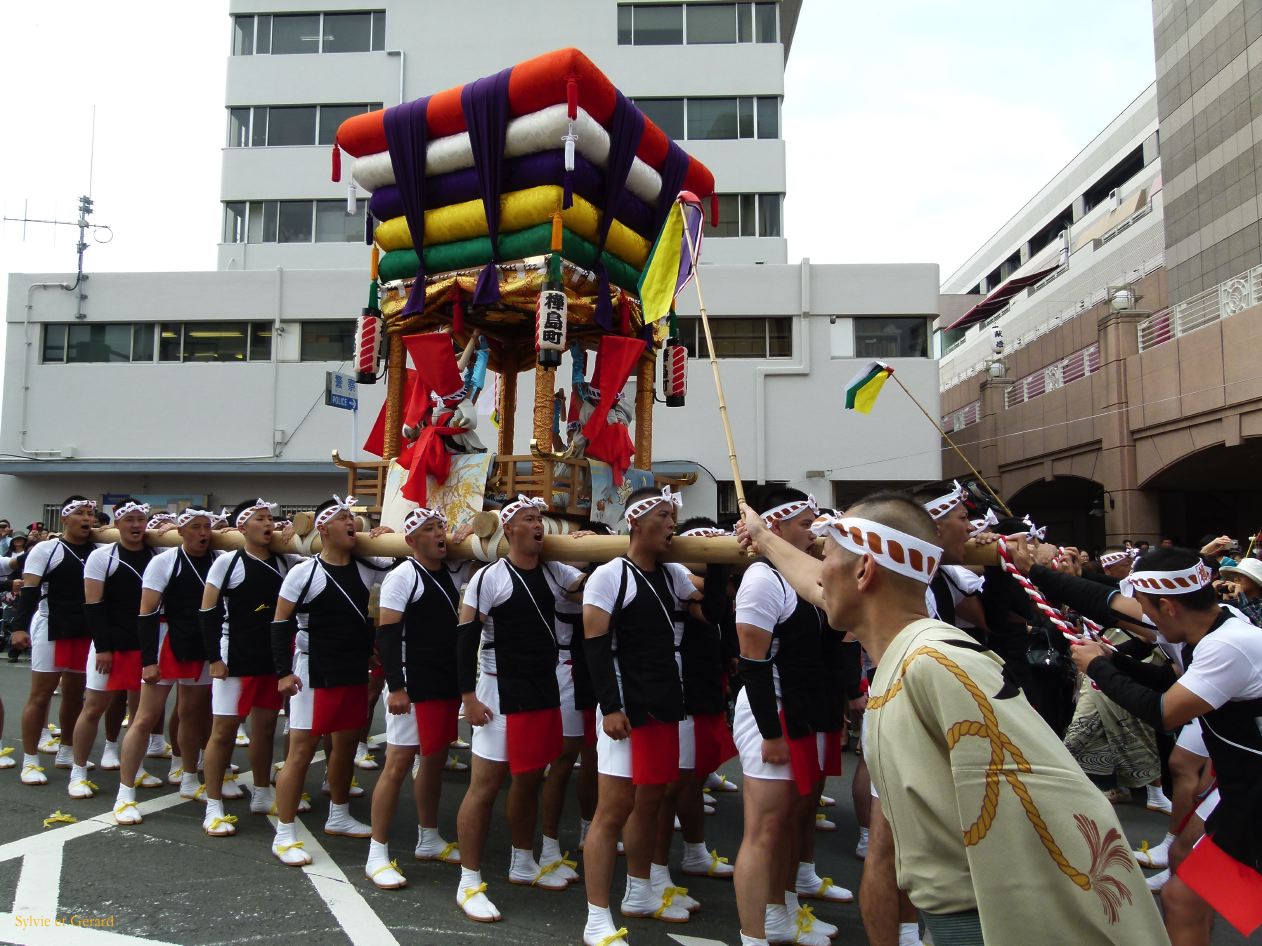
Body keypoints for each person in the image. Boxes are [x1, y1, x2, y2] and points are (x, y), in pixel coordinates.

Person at [738, 492, 1167, 946]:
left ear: (864, 571)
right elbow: (815, 585)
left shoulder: (942, 665)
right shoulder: (913, 654)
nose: (818, 570)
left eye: (827, 558)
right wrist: (763, 537)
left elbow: (1062, 805)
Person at [1046, 547, 1262, 945]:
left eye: (1145, 608)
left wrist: (1097, 667)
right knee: (1184, 863)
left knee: (1183, 898)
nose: (1141, 618)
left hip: (1252, 790)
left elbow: (1164, 712)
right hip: (1241, 782)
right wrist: (1113, 660)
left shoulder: (1227, 644)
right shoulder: (1211, 625)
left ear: (1168, 606)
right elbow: (1167, 682)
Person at [580, 486, 705, 946]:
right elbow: (595, 646)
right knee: (612, 810)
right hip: (627, 706)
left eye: (674, 517)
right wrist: (611, 707)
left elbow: (710, 609)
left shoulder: (672, 574)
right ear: (635, 521)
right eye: (664, 516)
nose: (672, 525)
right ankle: (596, 916)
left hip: (664, 701)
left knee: (651, 802)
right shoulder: (610, 575)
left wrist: (725, 555)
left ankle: (639, 891)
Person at [454, 495, 585, 923]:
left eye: (540, 519)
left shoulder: (555, 571)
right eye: (529, 519)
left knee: (529, 780)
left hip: (542, 688)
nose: (538, 525)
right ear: (508, 530)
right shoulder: (489, 577)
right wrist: (468, 698)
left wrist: (587, 544)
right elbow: (465, 638)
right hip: (497, 690)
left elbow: (588, 587)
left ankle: (523, 860)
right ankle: (469, 882)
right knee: (485, 786)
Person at [730, 488, 844, 946]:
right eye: (804, 524)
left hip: (802, 708)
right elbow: (752, 663)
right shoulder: (762, 579)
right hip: (771, 710)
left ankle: (782, 912)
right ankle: (754, 936)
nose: (813, 533)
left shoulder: (804, 574)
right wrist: (770, 732)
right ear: (773, 527)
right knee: (765, 829)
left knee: (794, 820)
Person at [269, 496, 393, 866]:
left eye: (353, 518)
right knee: (302, 750)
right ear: (323, 529)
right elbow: (280, 623)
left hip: (352, 667)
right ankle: (284, 833)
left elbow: (401, 566)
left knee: (345, 744)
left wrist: (388, 536)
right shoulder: (304, 572)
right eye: (342, 518)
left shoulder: (366, 566)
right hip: (313, 668)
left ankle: (339, 814)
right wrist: (283, 672)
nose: (352, 522)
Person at [368, 505, 470, 887]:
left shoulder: (454, 570)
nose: (440, 533)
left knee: (434, 759)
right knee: (397, 763)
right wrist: (396, 686)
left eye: (441, 526)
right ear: (411, 540)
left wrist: (472, 530)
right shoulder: (402, 576)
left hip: (444, 679)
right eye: (430, 529)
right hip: (412, 681)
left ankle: (428, 837)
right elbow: (387, 634)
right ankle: (376, 853)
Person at [111, 508, 222, 822]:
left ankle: (188, 778)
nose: (203, 533)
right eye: (196, 527)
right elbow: (146, 612)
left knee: (192, 714)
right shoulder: (164, 561)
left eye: (207, 527)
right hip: (166, 643)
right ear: (180, 532)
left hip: (202, 645)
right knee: (145, 718)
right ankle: (125, 793)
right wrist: (148, 661)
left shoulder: (220, 559)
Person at [198, 499, 298, 836]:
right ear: (242, 527)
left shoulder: (286, 560)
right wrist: (214, 658)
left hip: (271, 655)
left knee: (265, 727)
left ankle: (261, 791)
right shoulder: (227, 562)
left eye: (271, 518)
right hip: (234, 655)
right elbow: (207, 612)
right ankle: (213, 805)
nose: (269, 523)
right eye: (260, 518)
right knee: (224, 730)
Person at [70, 500, 162, 803]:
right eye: (130, 519)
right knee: (94, 707)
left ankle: (135, 768)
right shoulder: (102, 557)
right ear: (117, 524)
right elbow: (93, 605)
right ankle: (78, 771)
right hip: (110, 643)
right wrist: (103, 647)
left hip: (145, 644)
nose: (136, 525)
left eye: (141, 519)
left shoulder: (158, 555)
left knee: (140, 713)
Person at [9, 497, 98, 786]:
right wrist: (18, 627)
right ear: (64, 519)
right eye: (80, 513)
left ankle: (67, 750)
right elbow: (30, 591)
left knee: (75, 694)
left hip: (84, 628)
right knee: (41, 694)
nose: (87, 518)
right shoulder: (47, 549)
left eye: (91, 514)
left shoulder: (99, 550)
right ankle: (30, 760)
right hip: (51, 624)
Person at [1215, 556, 1262, 628]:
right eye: (1236, 575)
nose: (1235, 579)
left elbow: (1259, 625)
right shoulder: (1233, 603)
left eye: (1241, 576)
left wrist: (1241, 596)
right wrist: (1213, 592)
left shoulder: (1257, 604)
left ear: (1255, 582)